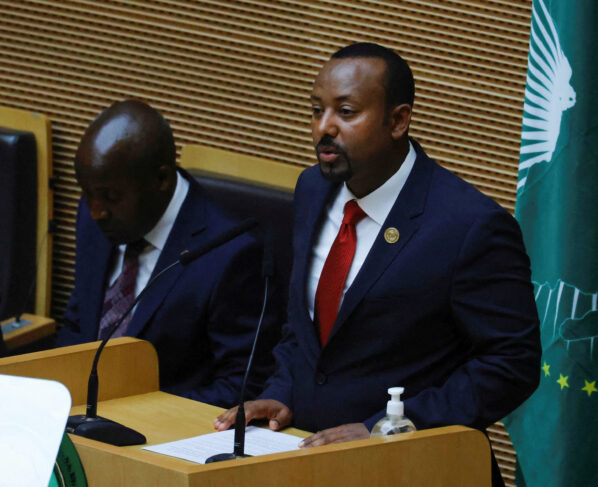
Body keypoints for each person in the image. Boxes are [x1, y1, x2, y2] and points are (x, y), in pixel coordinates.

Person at [214, 43, 541, 485]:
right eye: (316, 110)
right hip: (309, 461)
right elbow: (303, 329)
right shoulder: (312, 189)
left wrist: (388, 428)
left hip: (419, 471)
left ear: (398, 120)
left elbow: (512, 363)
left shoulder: (470, 224)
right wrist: (280, 392)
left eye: (345, 112)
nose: (323, 128)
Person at [56, 100, 281, 408]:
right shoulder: (96, 213)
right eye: (87, 192)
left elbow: (241, 386)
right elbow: (79, 322)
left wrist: (130, 416)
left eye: (110, 196)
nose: (96, 210)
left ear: (161, 180)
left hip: (162, 433)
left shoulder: (231, 255)